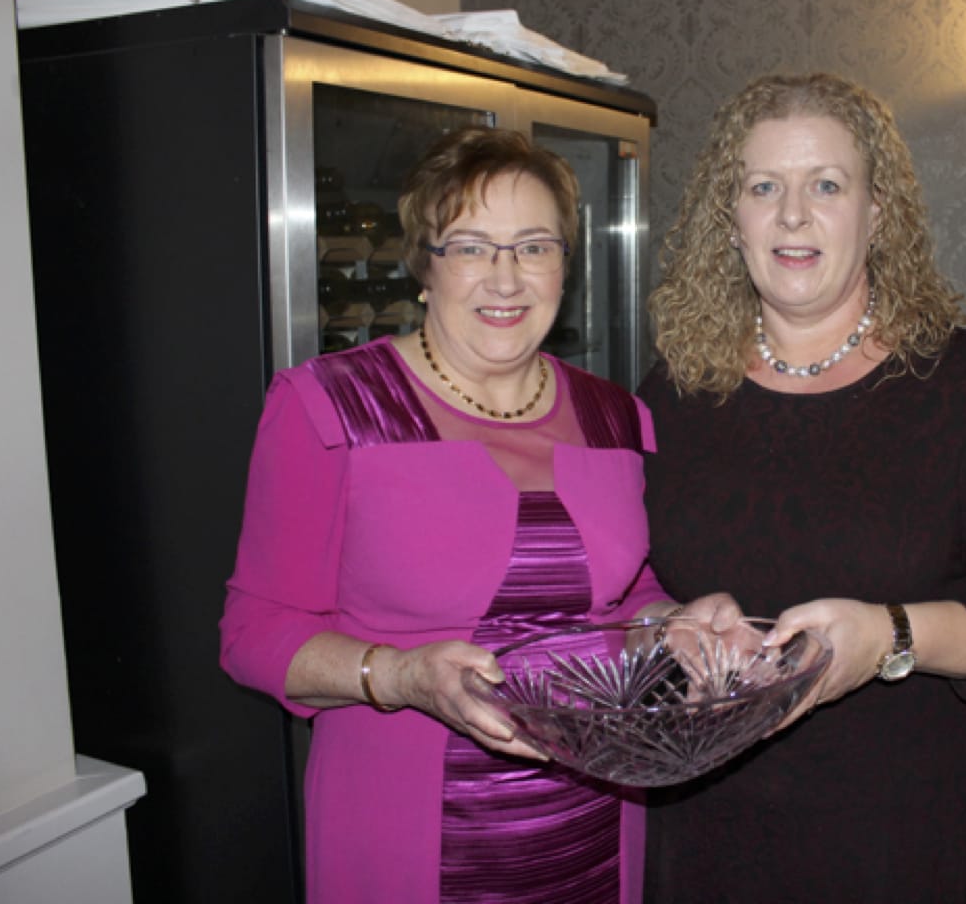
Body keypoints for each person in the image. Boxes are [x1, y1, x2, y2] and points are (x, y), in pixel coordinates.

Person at [219, 127, 733, 904]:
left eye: (534, 246)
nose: (506, 277)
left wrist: (672, 620)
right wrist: (398, 674)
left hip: (596, 815)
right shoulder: (329, 406)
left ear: (566, 264)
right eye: (469, 247)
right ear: (423, 267)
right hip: (406, 829)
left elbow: (620, 594)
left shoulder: (613, 415)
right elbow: (253, 631)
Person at [638, 73, 966, 902]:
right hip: (709, 825)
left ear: (876, 214)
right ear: (730, 220)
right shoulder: (673, 391)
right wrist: (665, 624)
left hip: (907, 833)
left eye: (826, 185)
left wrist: (888, 638)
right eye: (762, 186)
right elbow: (630, 589)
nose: (793, 214)